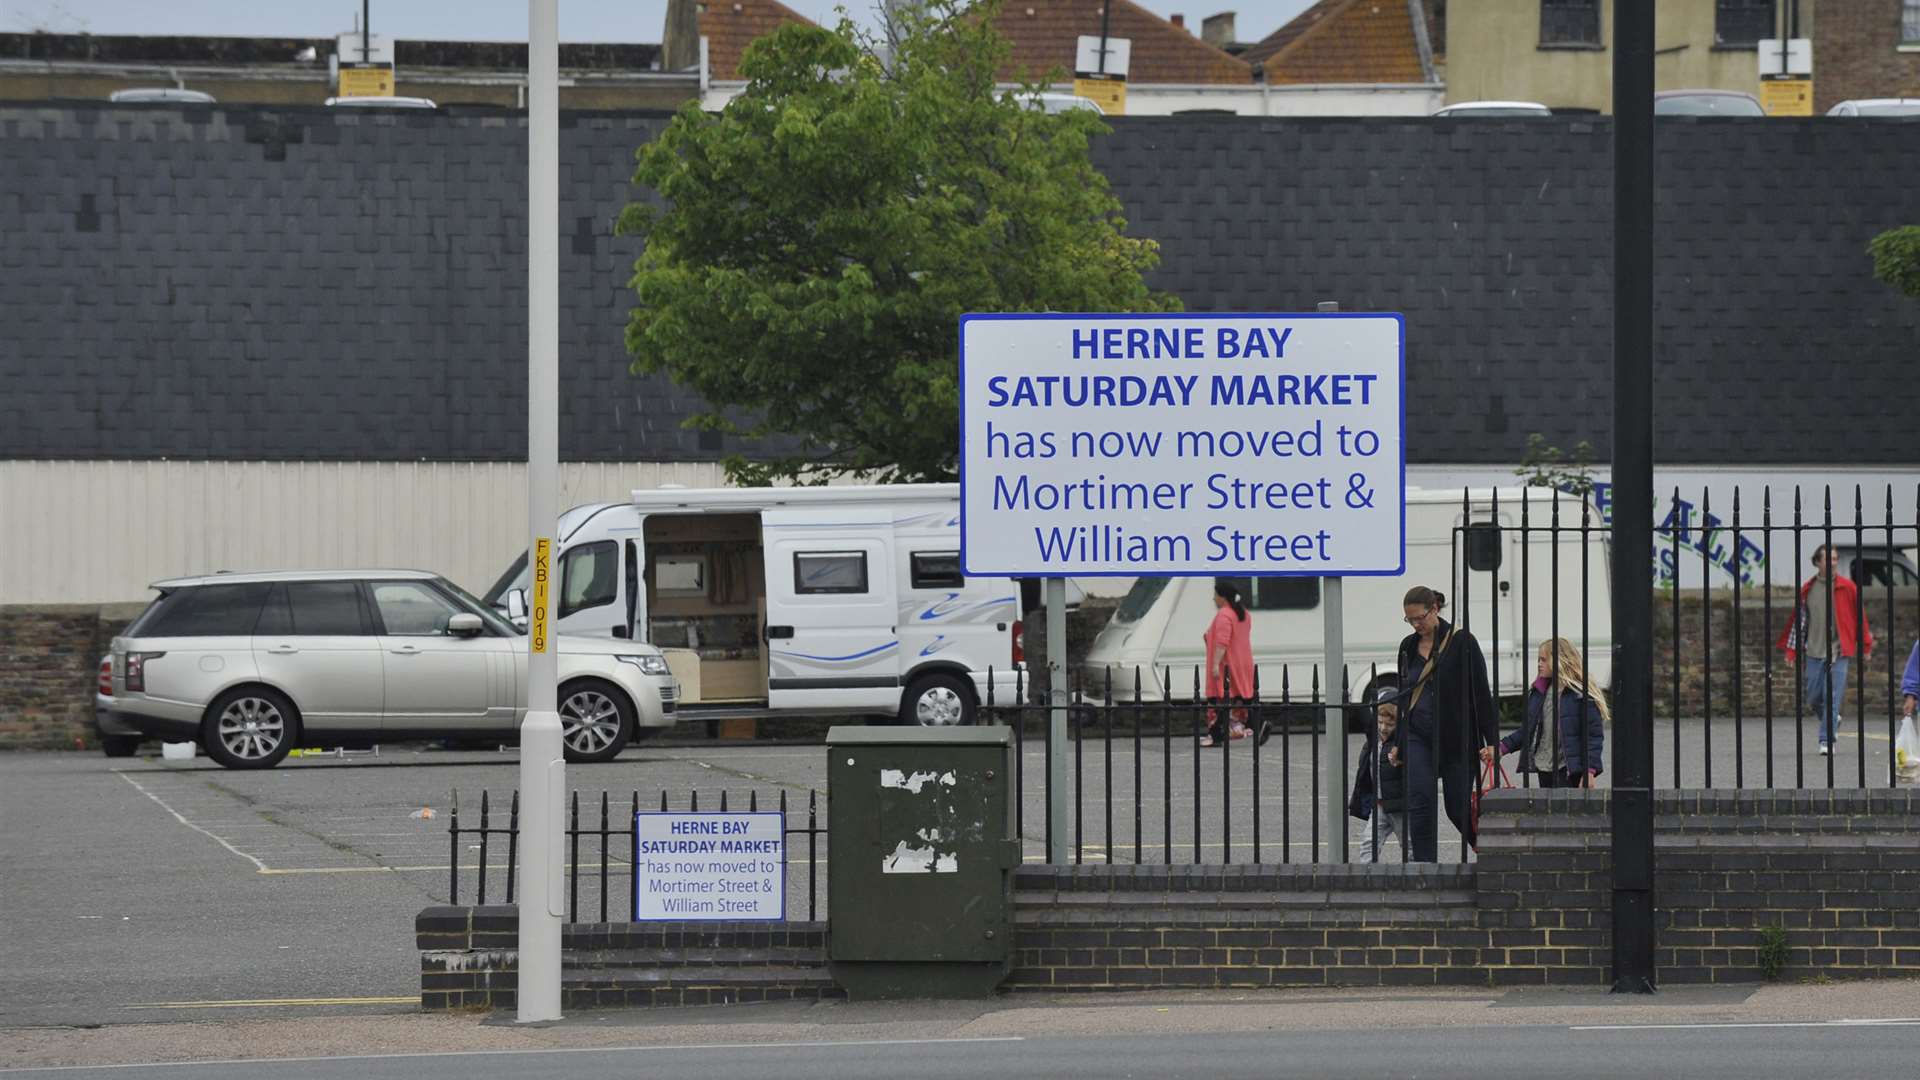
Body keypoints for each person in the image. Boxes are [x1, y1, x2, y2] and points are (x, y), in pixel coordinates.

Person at [1396, 585, 1498, 861]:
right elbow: (1405, 697)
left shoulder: (1462, 641)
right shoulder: (1407, 646)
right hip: (1418, 736)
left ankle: (1491, 853)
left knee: (1457, 808)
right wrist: (1397, 742)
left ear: (1435, 609)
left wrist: (1493, 742)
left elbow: (1481, 693)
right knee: (1419, 802)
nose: (1416, 625)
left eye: (1420, 618)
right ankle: (1424, 868)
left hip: (1457, 737)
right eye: (1410, 620)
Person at [1777, 545, 1874, 755]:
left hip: (1838, 651)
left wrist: (1865, 644)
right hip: (1813, 650)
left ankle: (1826, 740)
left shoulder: (1848, 588)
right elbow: (1799, 622)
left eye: (1835, 559)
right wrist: (1791, 651)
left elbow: (1860, 618)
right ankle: (1833, 720)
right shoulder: (1808, 589)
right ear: (1817, 562)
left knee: (1832, 695)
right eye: (1828, 559)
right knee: (1813, 697)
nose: (1833, 563)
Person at [1483, 638, 1607, 788]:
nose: (1539, 664)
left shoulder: (1580, 695)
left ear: (1559, 661)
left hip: (1568, 769)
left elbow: (1593, 737)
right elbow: (1528, 729)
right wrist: (1502, 748)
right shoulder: (1539, 692)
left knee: (1565, 809)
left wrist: (1589, 771)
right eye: (1539, 660)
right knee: (1548, 809)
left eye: (1543, 660)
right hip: (1544, 767)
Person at [1349, 687, 1406, 862]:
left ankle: (1414, 879)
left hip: (1400, 806)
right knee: (1369, 844)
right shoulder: (1373, 741)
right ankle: (1368, 879)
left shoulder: (1402, 744)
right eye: (1380, 722)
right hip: (1379, 805)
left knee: (1409, 846)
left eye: (1389, 725)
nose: (1383, 728)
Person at [1200, 579, 1255, 747]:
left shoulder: (1224, 615)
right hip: (1244, 662)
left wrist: (1215, 664)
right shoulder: (1243, 613)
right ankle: (1252, 726)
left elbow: (1222, 642)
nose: (1214, 598)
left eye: (1215, 595)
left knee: (1220, 699)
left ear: (1222, 597)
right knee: (1242, 698)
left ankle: (1216, 734)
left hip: (1227, 664)